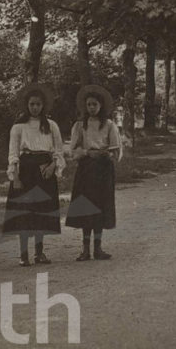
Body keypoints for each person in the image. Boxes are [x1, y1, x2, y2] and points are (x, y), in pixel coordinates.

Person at [4, 83, 65, 266]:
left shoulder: (51, 126)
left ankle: (39, 253)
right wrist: (15, 176)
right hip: (26, 171)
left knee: (41, 212)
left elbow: (59, 150)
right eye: (32, 104)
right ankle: (23, 254)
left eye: (38, 104)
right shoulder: (18, 127)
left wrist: (53, 166)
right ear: (26, 105)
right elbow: (13, 153)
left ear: (43, 105)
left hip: (44, 171)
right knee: (24, 213)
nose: (35, 108)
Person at [65, 84, 121, 261]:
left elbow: (116, 149)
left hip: (103, 169)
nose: (92, 108)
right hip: (86, 169)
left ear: (101, 106)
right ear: (85, 106)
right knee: (86, 207)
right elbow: (73, 150)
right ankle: (85, 249)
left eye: (95, 104)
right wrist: (87, 153)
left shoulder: (110, 125)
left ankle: (98, 248)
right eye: (89, 104)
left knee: (100, 207)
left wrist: (107, 154)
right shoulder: (81, 125)